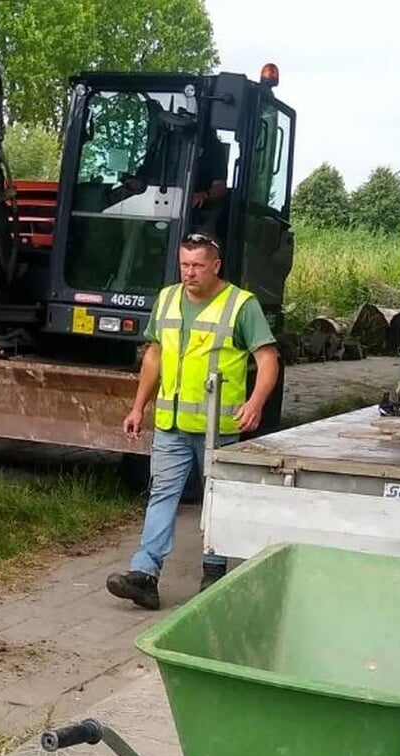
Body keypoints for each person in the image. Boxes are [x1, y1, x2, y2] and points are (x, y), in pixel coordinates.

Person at [105, 232, 281, 611]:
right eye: (185, 265)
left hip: (218, 428)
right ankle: (144, 575)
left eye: (198, 265)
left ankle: (213, 575)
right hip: (170, 425)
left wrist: (255, 403)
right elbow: (154, 355)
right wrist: (138, 407)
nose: (190, 273)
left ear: (216, 265)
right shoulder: (167, 298)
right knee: (161, 495)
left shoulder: (241, 305)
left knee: (216, 500)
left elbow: (267, 359)